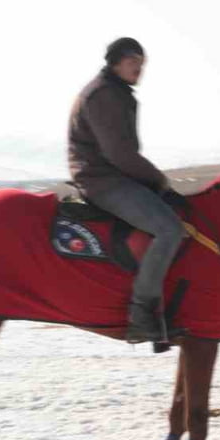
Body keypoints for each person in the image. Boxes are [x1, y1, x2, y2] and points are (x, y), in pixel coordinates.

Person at [68, 37, 188, 342]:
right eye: (133, 62)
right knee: (169, 230)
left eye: (142, 64)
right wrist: (157, 180)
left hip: (112, 176)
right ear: (115, 61)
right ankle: (141, 313)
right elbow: (118, 154)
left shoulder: (116, 93)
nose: (139, 69)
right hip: (102, 180)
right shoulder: (104, 95)